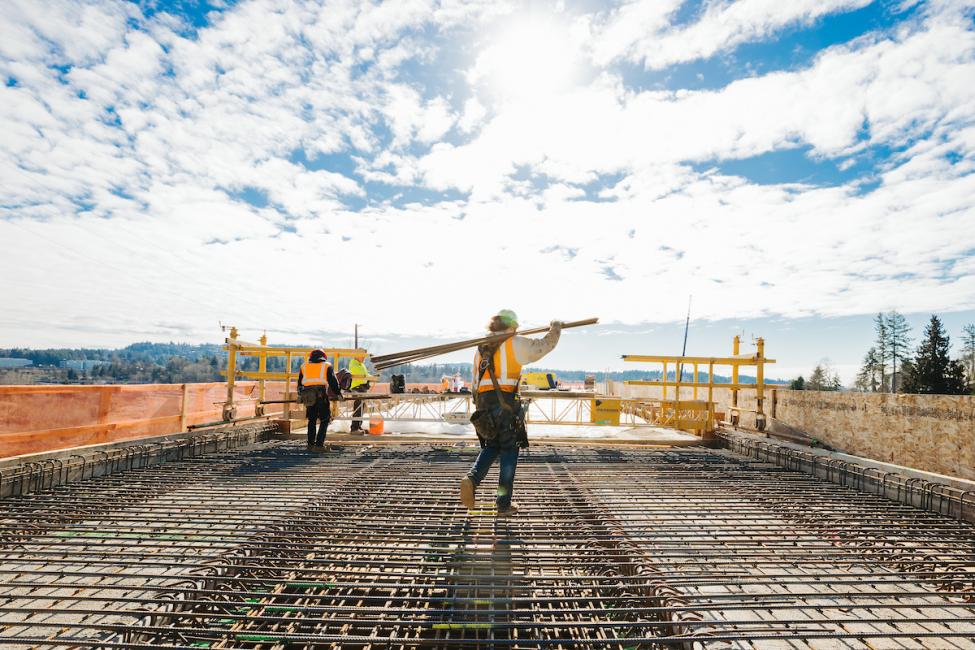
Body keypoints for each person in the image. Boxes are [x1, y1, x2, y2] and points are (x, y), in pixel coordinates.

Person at [461, 310, 562, 516]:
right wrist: (555, 329)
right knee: (509, 451)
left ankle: (472, 479)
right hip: (505, 405)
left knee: (492, 445)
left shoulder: (481, 349)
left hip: (484, 406)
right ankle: (503, 503)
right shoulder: (513, 342)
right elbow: (541, 347)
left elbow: (474, 384)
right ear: (512, 326)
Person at [297, 349, 342, 449]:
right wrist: (338, 393)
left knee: (311, 419)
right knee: (325, 419)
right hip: (321, 394)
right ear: (324, 358)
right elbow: (333, 382)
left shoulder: (304, 366)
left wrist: (299, 395)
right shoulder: (326, 366)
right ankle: (319, 444)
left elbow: (300, 383)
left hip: (308, 395)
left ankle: (310, 444)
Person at [348, 357, 370, 433]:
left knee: (361, 408)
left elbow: (366, 374)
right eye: (362, 356)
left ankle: (358, 426)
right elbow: (361, 374)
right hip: (356, 388)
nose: (364, 358)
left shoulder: (361, 365)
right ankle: (354, 428)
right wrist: (367, 377)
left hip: (361, 388)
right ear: (357, 356)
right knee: (358, 407)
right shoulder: (353, 363)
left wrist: (372, 377)